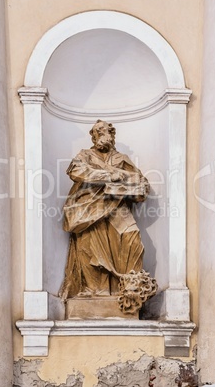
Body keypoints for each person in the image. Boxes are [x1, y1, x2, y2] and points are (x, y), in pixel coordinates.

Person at [60, 119, 150, 300]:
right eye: (97, 133)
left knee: (132, 239)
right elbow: (75, 171)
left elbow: (142, 186)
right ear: (93, 137)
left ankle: (128, 289)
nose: (100, 136)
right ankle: (96, 292)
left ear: (112, 135)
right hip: (89, 208)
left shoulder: (122, 159)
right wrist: (109, 175)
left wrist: (128, 185)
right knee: (91, 248)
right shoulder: (85, 155)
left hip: (117, 206)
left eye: (104, 132)